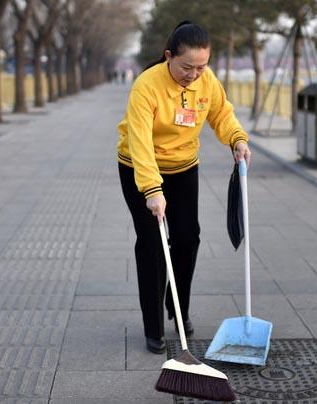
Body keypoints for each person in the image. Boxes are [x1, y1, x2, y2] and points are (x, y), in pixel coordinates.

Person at [116, 21, 251, 355]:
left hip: (183, 167)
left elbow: (222, 113)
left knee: (188, 237)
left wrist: (237, 139)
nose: (194, 74)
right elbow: (140, 141)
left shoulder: (206, 81)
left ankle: (178, 307)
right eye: (186, 67)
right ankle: (153, 327)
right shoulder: (147, 85)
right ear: (168, 57)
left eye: (201, 67)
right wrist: (151, 190)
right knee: (151, 241)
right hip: (140, 167)